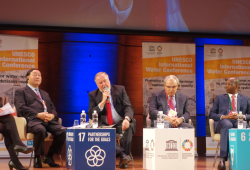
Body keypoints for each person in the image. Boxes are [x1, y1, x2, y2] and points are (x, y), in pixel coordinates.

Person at [14, 68, 66, 168]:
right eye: (35, 74)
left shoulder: (45, 93)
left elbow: (53, 108)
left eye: (39, 75)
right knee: (40, 130)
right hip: (33, 120)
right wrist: (38, 115)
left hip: (49, 121)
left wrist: (52, 115)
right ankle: (37, 157)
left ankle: (49, 156)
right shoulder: (21, 91)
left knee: (63, 131)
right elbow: (21, 108)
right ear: (27, 77)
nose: (37, 76)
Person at [88, 72, 135, 169]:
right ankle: (123, 156)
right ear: (97, 84)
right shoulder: (93, 94)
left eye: (105, 81)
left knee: (128, 125)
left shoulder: (120, 89)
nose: (103, 84)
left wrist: (126, 119)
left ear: (108, 80)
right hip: (105, 125)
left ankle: (123, 159)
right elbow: (91, 114)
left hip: (121, 122)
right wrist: (102, 102)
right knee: (103, 131)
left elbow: (128, 107)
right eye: (100, 83)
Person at [209, 78, 250, 170]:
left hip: (238, 120)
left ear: (236, 86)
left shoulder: (245, 99)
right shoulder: (219, 98)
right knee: (227, 125)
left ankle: (245, 158)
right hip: (223, 122)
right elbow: (211, 114)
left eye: (229, 84)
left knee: (244, 126)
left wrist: (242, 116)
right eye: (226, 84)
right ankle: (222, 160)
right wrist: (225, 116)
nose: (226, 86)